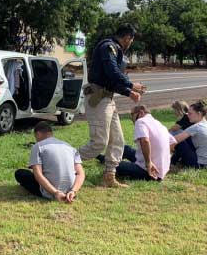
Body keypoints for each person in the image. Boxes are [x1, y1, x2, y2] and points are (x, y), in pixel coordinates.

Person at [79, 25, 145, 188]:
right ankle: (63, 160)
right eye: (132, 39)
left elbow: (110, 80)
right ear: (127, 37)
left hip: (107, 99)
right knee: (99, 142)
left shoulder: (115, 49)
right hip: (98, 98)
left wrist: (128, 92)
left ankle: (110, 176)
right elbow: (112, 72)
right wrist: (131, 84)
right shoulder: (108, 47)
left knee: (117, 140)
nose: (131, 42)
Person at [14, 122, 85, 203]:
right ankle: (70, 192)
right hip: (70, 190)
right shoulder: (70, 147)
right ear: (51, 133)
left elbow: (38, 175)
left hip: (50, 192)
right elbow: (80, 173)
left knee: (20, 173)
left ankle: (52, 191)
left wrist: (55, 192)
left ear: (38, 134)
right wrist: (73, 191)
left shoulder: (38, 146)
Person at [115, 105, 177, 181]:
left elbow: (145, 140)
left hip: (148, 171)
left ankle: (103, 159)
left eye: (132, 115)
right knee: (125, 149)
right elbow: (173, 142)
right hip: (161, 171)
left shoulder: (140, 121)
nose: (131, 119)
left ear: (141, 112)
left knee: (114, 164)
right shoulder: (159, 123)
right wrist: (161, 158)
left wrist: (149, 163)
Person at [171, 100, 207, 169]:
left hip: (201, 165)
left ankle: (170, 163)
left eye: (190, 113)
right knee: (185, 139)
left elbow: (173, 140)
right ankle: (174, 162)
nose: (187, 115)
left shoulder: (197, 127)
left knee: (179, 142)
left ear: (199, 114)